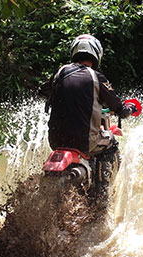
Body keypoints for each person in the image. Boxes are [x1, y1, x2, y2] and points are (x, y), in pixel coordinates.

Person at [39, 34, 136, 196]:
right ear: (96, 55)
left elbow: (43, 91)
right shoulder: (97, 77)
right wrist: (130, 107)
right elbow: (121, 110)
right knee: (111, 143)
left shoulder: (60, 72)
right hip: (84, 141)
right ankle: (100, 197)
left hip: (55, 140)